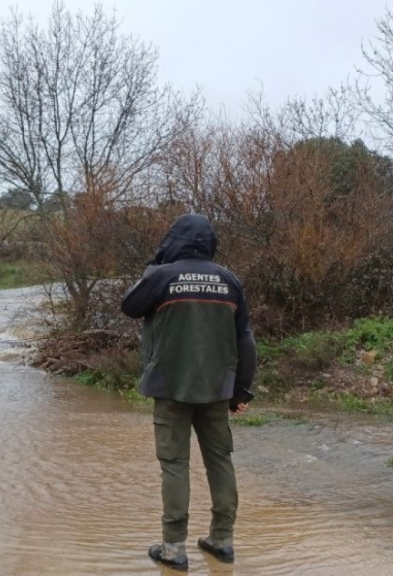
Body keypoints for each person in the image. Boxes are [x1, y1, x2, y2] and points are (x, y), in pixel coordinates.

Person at [121, 214, 257, 571]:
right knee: (220, 461)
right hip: (217, 390)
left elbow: (129, 305)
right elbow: (245, 338)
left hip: (170, 389)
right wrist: (241, 389)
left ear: (174, 240)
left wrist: (155, 264)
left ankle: (173, 548)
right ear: (210, 242)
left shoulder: (162, 276)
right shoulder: (230, 280)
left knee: (175, 466)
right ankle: (223, 540)